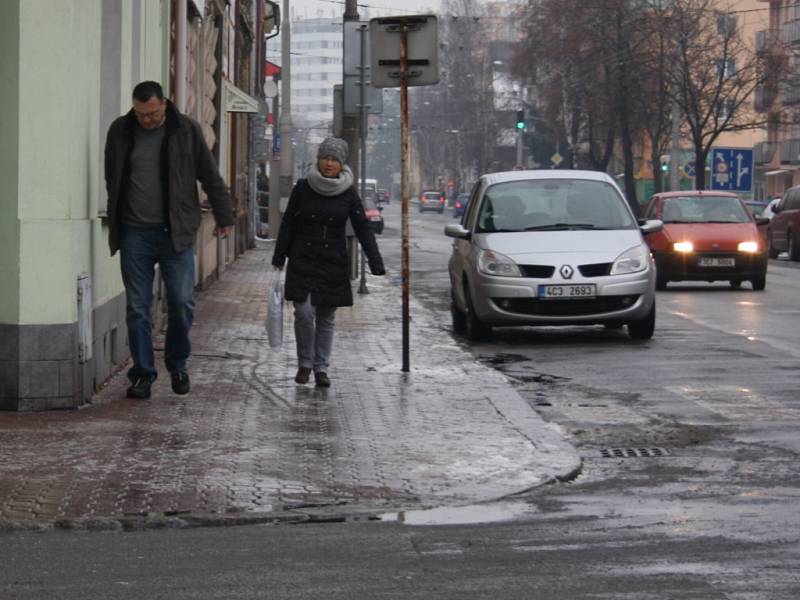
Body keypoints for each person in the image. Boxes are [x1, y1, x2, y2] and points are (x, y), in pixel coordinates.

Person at [104, 81, 235, 400]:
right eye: (140, 114)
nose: (146, 120)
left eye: (151, 113)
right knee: (137, 308)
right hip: (135, 232)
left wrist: (224, 215)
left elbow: (209, 174)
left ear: (164, 103)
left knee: (181, 303)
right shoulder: (121, 130)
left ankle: (177, 363)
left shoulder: (186, 130)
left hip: (175, 233)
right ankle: (143, 375)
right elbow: (113, 176)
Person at [272, 137, 385, 388]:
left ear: (341, 163)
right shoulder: (302, 188)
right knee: (303, 312)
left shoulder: (349, 192)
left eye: (334, 159)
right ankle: (305, 363)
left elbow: (363, 228)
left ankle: (321, 368)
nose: (329, 163)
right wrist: (279, 256)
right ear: (319, 159)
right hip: (303, 257)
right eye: (326, 158)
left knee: (325, 316)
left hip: (332, 260)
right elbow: (288, 222)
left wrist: (375, 262)